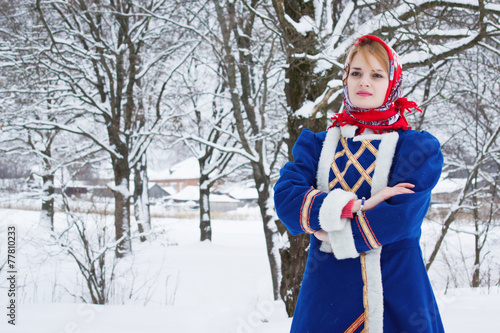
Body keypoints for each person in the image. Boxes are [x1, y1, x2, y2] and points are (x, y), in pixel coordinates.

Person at [274, 35, 445, 333]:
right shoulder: (316, 145)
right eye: (356, 73)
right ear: (345, 78)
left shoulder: (415, 150)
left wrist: (325, 230)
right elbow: (287, 201)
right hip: (324, 300)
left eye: (377, 75)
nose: (364, 82)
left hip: (396, 295)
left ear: (392, 83)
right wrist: (361, 205)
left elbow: (399, 219)